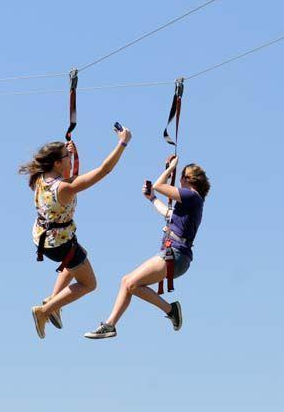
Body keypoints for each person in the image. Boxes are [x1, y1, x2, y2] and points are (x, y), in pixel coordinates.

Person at [18, 127, 132, 339]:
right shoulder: (64, 189)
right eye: (66, 156)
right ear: (56, 163)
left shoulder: (40, 179)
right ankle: (45, 310)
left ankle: (53, 301)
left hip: (43, 238)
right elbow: (103, 170)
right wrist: (122, 143)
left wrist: (71, 154)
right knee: (89, 283)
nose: (69, 158)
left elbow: (66, 180)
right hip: (60, 244)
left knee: (79, 259)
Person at [85, 156, 210, 339]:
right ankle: (111, 324)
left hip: (176, 254)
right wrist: (152, 198)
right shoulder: (190, 202)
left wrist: (169, 169)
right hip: (175, 255)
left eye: (181, 176)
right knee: (128, 282)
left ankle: (170, 310)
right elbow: (167, 213)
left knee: (130, 283)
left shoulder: (192, 196)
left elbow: (160, 185)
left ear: (188, 179)